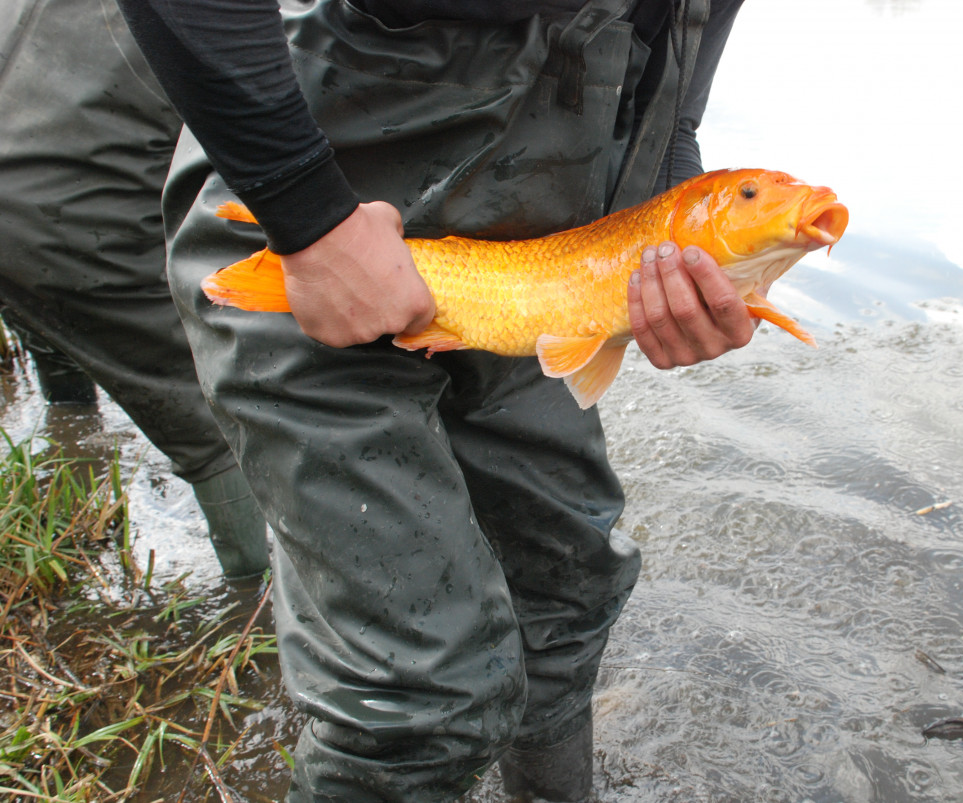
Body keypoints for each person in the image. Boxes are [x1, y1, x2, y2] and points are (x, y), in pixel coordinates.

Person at [117, 0, 750, 799]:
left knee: (564, 593)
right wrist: (305, 214)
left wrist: (667, 244)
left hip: (527, 265)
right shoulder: (304, 213)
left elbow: (672, 92)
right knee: (417, 695)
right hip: (314, 216)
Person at [0, 0, 269, 581]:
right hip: (67, 218)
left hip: (29, 177)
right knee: (218, 414)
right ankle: (255, 604)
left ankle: (69, 432)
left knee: (51, 314)